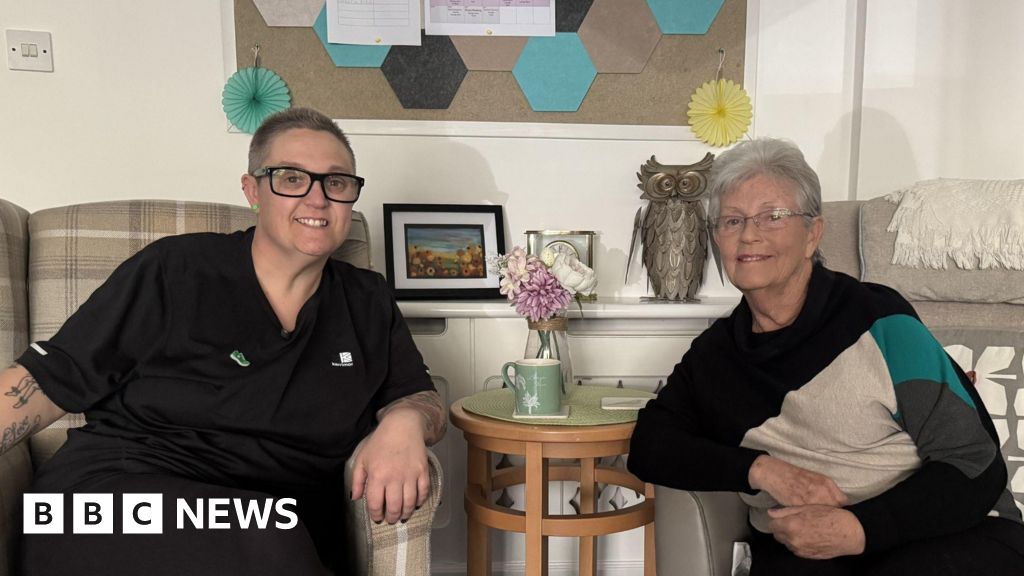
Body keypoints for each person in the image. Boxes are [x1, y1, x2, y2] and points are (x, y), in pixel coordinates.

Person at [2, 107, 445, 575]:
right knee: (268, 535)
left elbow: (417, 394)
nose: (317, 198)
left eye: (335, 182)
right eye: (292, 179)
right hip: (114, 500)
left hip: (271, 530)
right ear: (253, 191)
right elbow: (49, 378)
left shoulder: (367, 300)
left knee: (271, 533)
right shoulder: (175, 270)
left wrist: (406, 422)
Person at [628, 138, 1024, 575]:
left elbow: (974, 464)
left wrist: (860, 529)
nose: (749, 235)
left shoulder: (880, 321)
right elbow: (650, 446)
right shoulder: (716, 357)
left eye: (772, 216)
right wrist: (761, 470)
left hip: (944, 532)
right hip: (806, 547)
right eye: (732, 220)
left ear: (812, 234)